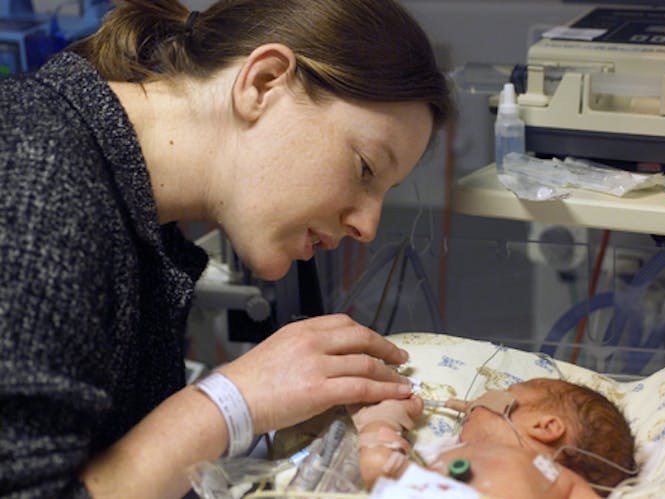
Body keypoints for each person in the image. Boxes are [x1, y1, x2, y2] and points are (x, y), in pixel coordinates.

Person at [0, 0, 453, 497]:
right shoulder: (33, 178)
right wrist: (230, 401)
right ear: (263, 83)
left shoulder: (137, 219)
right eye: (365, 168)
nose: (367, 226)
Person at [352, 378, 636, 496]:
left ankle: (377, 423)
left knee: (378, 461)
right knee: (380, 463)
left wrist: (380, 434)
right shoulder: (446, 453)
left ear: (546, 427)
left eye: (508, 390)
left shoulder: (561, 478)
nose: (477, 401)